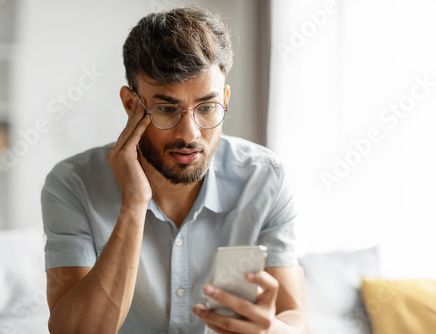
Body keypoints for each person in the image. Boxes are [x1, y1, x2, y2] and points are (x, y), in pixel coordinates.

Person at [41, 6, 309, 334]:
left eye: (207, 107)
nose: (190, 134)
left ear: (225, 99)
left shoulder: (264, 179)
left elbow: (295, 320)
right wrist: (134, 204)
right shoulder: (72, 184)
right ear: (131, 105)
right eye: (167, 109)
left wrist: (269, 330)